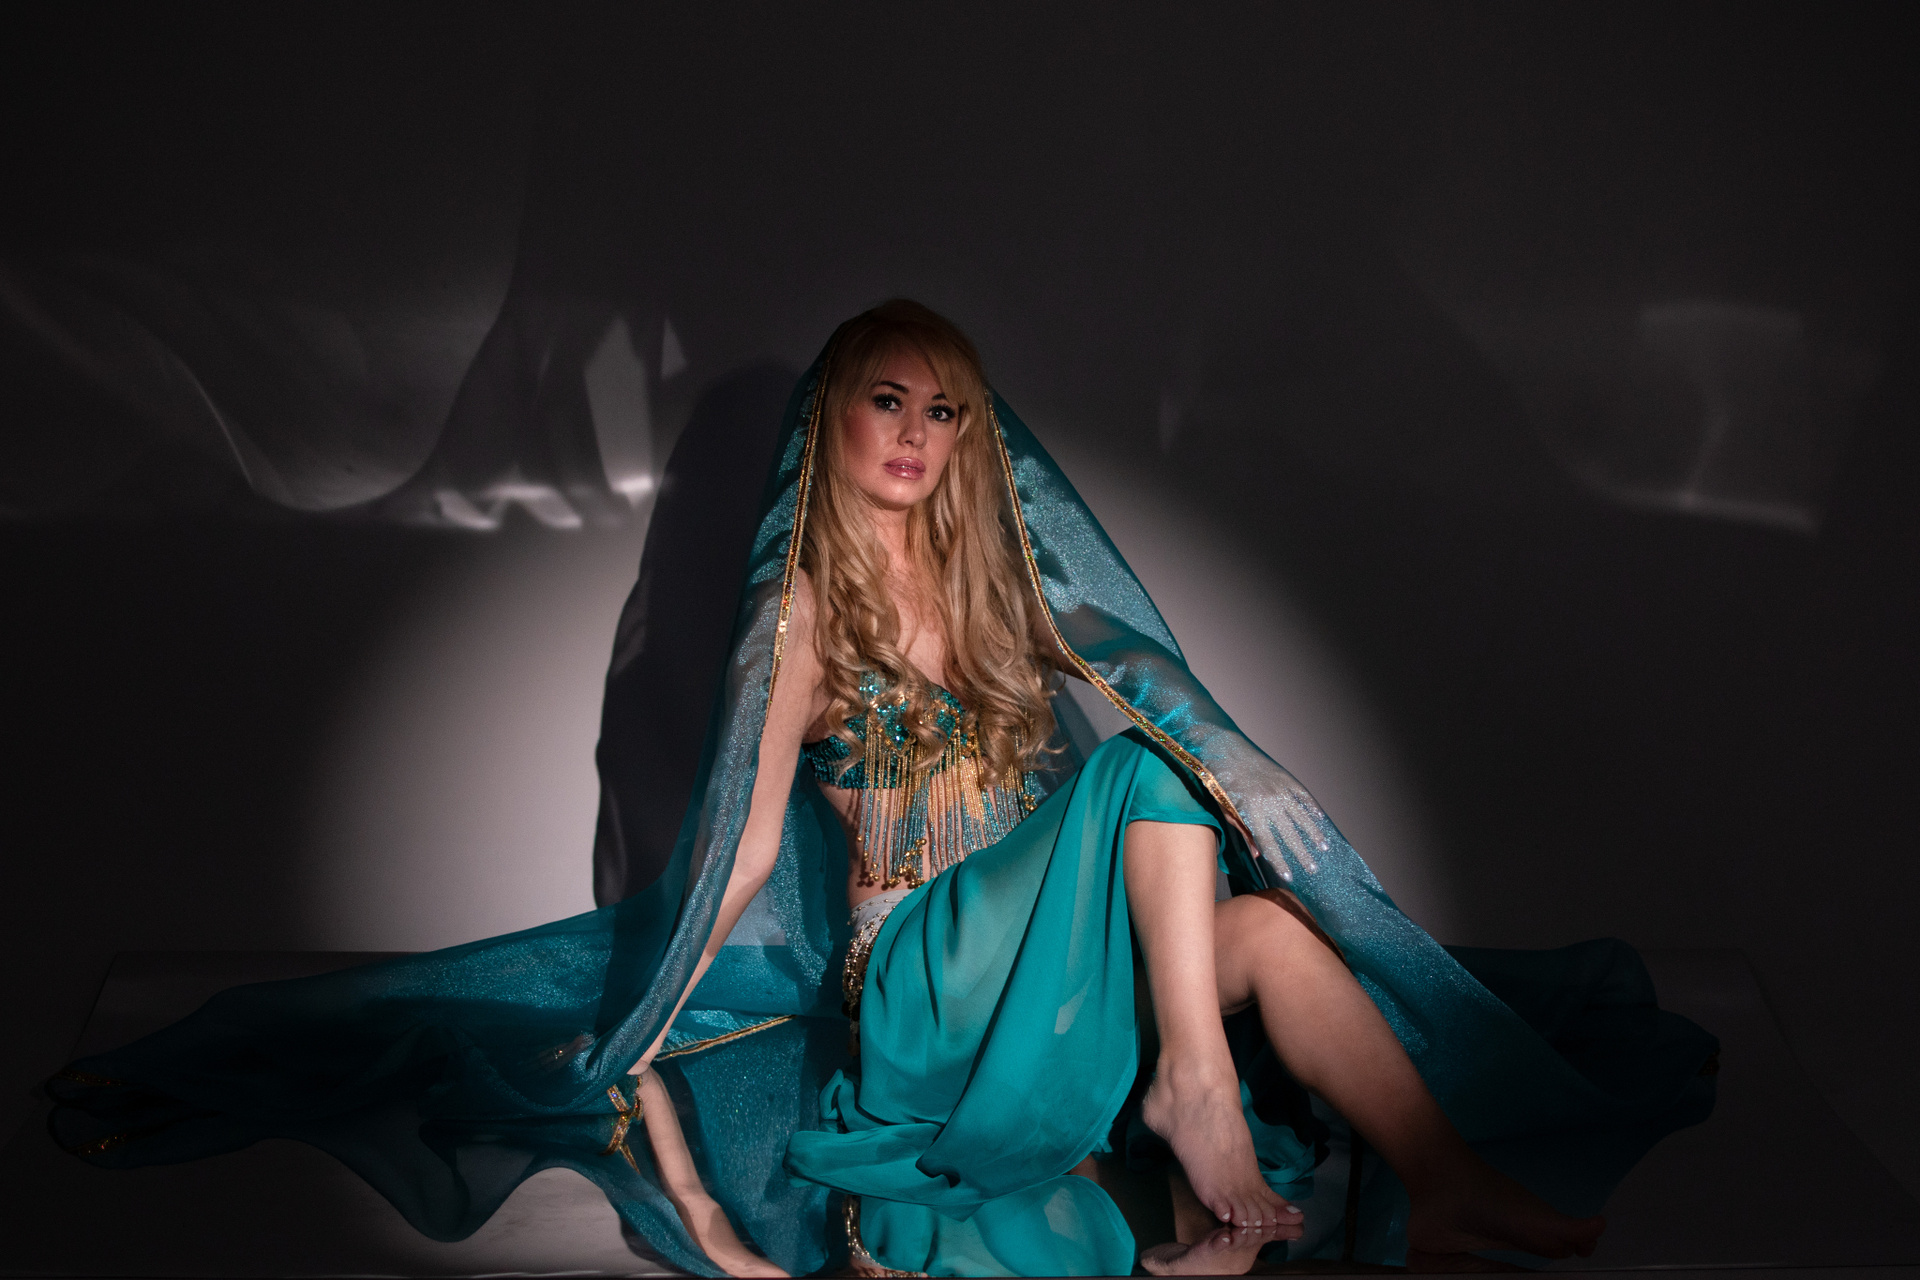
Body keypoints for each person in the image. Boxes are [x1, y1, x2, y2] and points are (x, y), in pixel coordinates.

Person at [50, 301, 1717, 1278]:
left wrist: (1250, 766)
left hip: (1040, 978)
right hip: (917, 984)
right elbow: (739, 850)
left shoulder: (1002, 594)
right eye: (888, 401)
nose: (917, 432)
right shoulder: (802, 620)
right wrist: (656, 1091)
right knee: (1142, 783)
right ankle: (1192, 1098)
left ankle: (1439, 1178)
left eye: (946, 411)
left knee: (1272, 932)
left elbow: (1147, 675)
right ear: (833, 420)